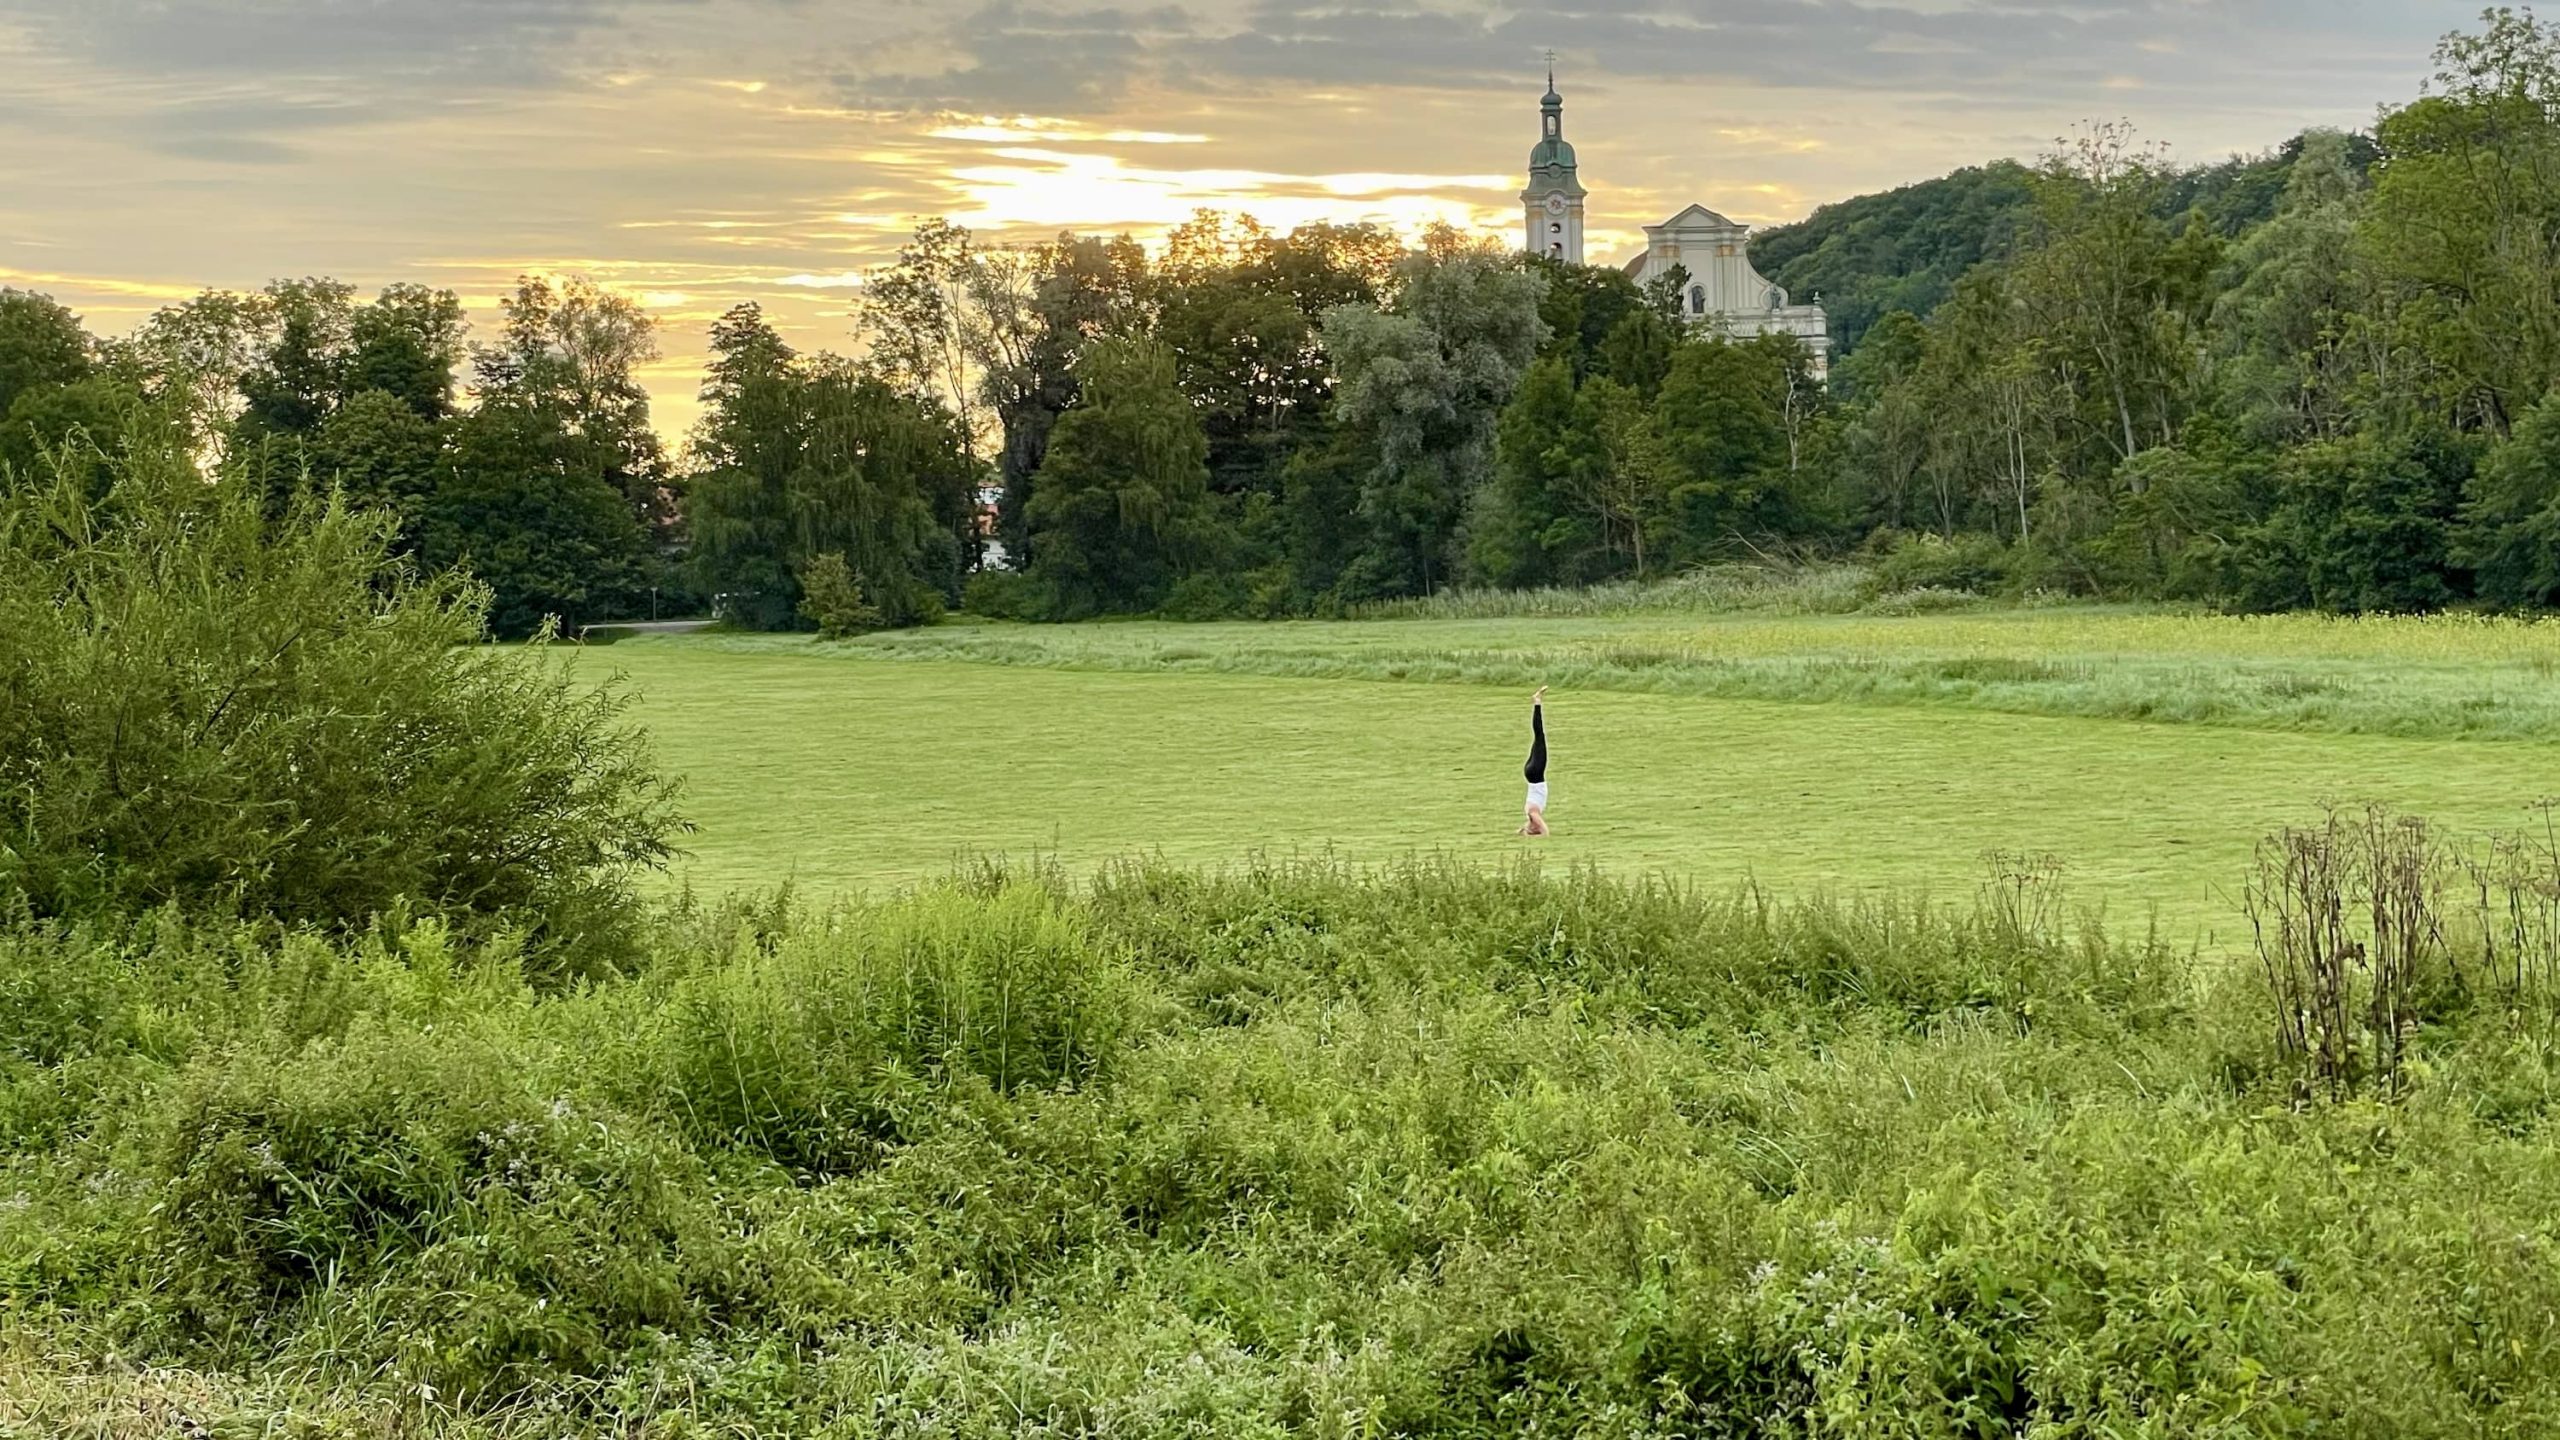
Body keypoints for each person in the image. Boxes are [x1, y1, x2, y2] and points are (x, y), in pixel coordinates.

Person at [1519, 686, 1550, 836]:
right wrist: (1523, 831)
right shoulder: (1529, 812)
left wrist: (1545, 834)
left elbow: (1543, 827)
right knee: (1538, 737)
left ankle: (1537, 702)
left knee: (1539, 735)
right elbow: (1537, 826)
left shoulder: (1532, 812)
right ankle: (1537, 701)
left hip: (1536, 774)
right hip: (1531, 774)